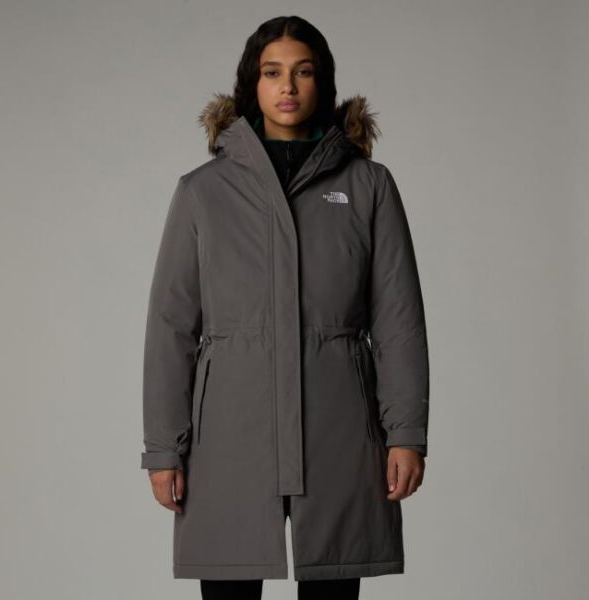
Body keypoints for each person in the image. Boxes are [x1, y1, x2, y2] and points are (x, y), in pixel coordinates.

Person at [141, 15, 430, 600]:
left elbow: (399, 318)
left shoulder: (368, 186)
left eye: (303, 72)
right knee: (230, 580)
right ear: (252, 84)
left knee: (333, 580)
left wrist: (406, 434)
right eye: (272, 73)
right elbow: (172, 327)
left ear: (323, 82)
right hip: (230, 432)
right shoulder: (203, 191)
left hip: (339, 427)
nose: (288, 87)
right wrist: (164, 448)